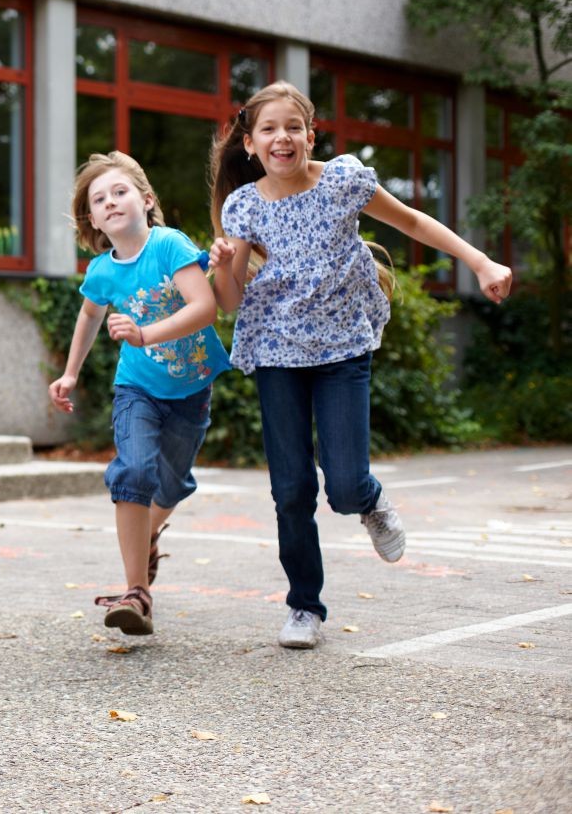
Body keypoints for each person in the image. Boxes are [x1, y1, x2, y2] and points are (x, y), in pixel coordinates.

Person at [208, 80, 513, 649]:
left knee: (345, 485)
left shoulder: (343, 180)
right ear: (250, 144)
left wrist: (480, 262)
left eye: (293, 127)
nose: (281, 137)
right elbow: (229, 301)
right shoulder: (243, 206)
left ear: (311, 135)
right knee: (291, 489)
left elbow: (413, 222)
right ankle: (304, 606)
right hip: (277, 351)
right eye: (268, 129)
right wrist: (223, 266)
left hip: (342, 347)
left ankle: (370, 501)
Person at [47, 152, 230, 636]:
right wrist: (70, 373)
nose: (110, 202)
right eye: (99, 199)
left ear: (146, 200)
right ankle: (137, 592)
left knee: (169, 486)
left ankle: (147, 537)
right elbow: (89, 315)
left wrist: (145, 333)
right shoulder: (102, 271)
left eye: (120, 191)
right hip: (136, 389)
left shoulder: (169, 245)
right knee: (133, 471)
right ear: (92, 220)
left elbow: (205, 306)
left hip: (191, 389)